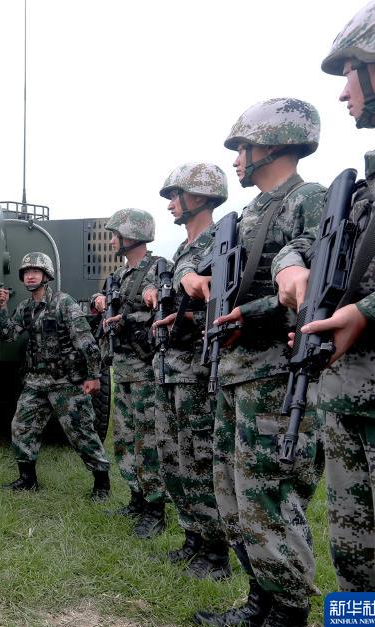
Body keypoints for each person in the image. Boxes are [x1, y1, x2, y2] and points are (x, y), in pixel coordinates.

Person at [275, 3, 375, 627]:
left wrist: (369, 312)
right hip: (351, 402)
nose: (342, 92)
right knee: (353, 563)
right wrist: (290, 266)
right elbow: (308, 243)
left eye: (351, 71)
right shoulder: (372, 176)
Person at [179, 99, 326, 627]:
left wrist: (256, 312)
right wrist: (197, 283)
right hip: (241, 370)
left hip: (281, 373)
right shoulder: (251, 214)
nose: (237, 159)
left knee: (273, 497)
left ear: (276, 143)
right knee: (239, 495)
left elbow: (320, 285)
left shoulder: (310, 200)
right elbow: (213, 272)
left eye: (243, 147)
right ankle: (262, 605)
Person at [145, 163, 231, 580]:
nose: (170, 205)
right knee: (172, 458)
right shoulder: (182, 250)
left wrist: (191, 319)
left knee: (199, 458)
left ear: (198, 196)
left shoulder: (222, 240)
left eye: (175, 196)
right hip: (169, 367)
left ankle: (216, 553)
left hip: (197, 370)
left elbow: (226, 302)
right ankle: (193, 538)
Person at [0, 252, 110, 498]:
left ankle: (102, 484)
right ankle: (27, 480)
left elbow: (86, 341)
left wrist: (93, 375)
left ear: (46, 276)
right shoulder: (26, 308)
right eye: (26, 273)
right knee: (22, 427)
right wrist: (3, 307)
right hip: (35, 382)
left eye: (35, 272)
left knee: (82, 433)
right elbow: (9, 335)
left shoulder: (63, 303)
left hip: (65, 383)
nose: (30, 276)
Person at [89, 209, 166, 536]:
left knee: (148, 441)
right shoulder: (119, 276)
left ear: (132, 235)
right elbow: (110, 304)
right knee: (124, 439)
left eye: (115, 235)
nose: (111, 241)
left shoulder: (158, 269)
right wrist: (99, 299)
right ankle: (137, 497)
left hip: (146, 370)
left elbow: (164, 311)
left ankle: (155, 509)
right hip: (122, 370)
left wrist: (130, 318)